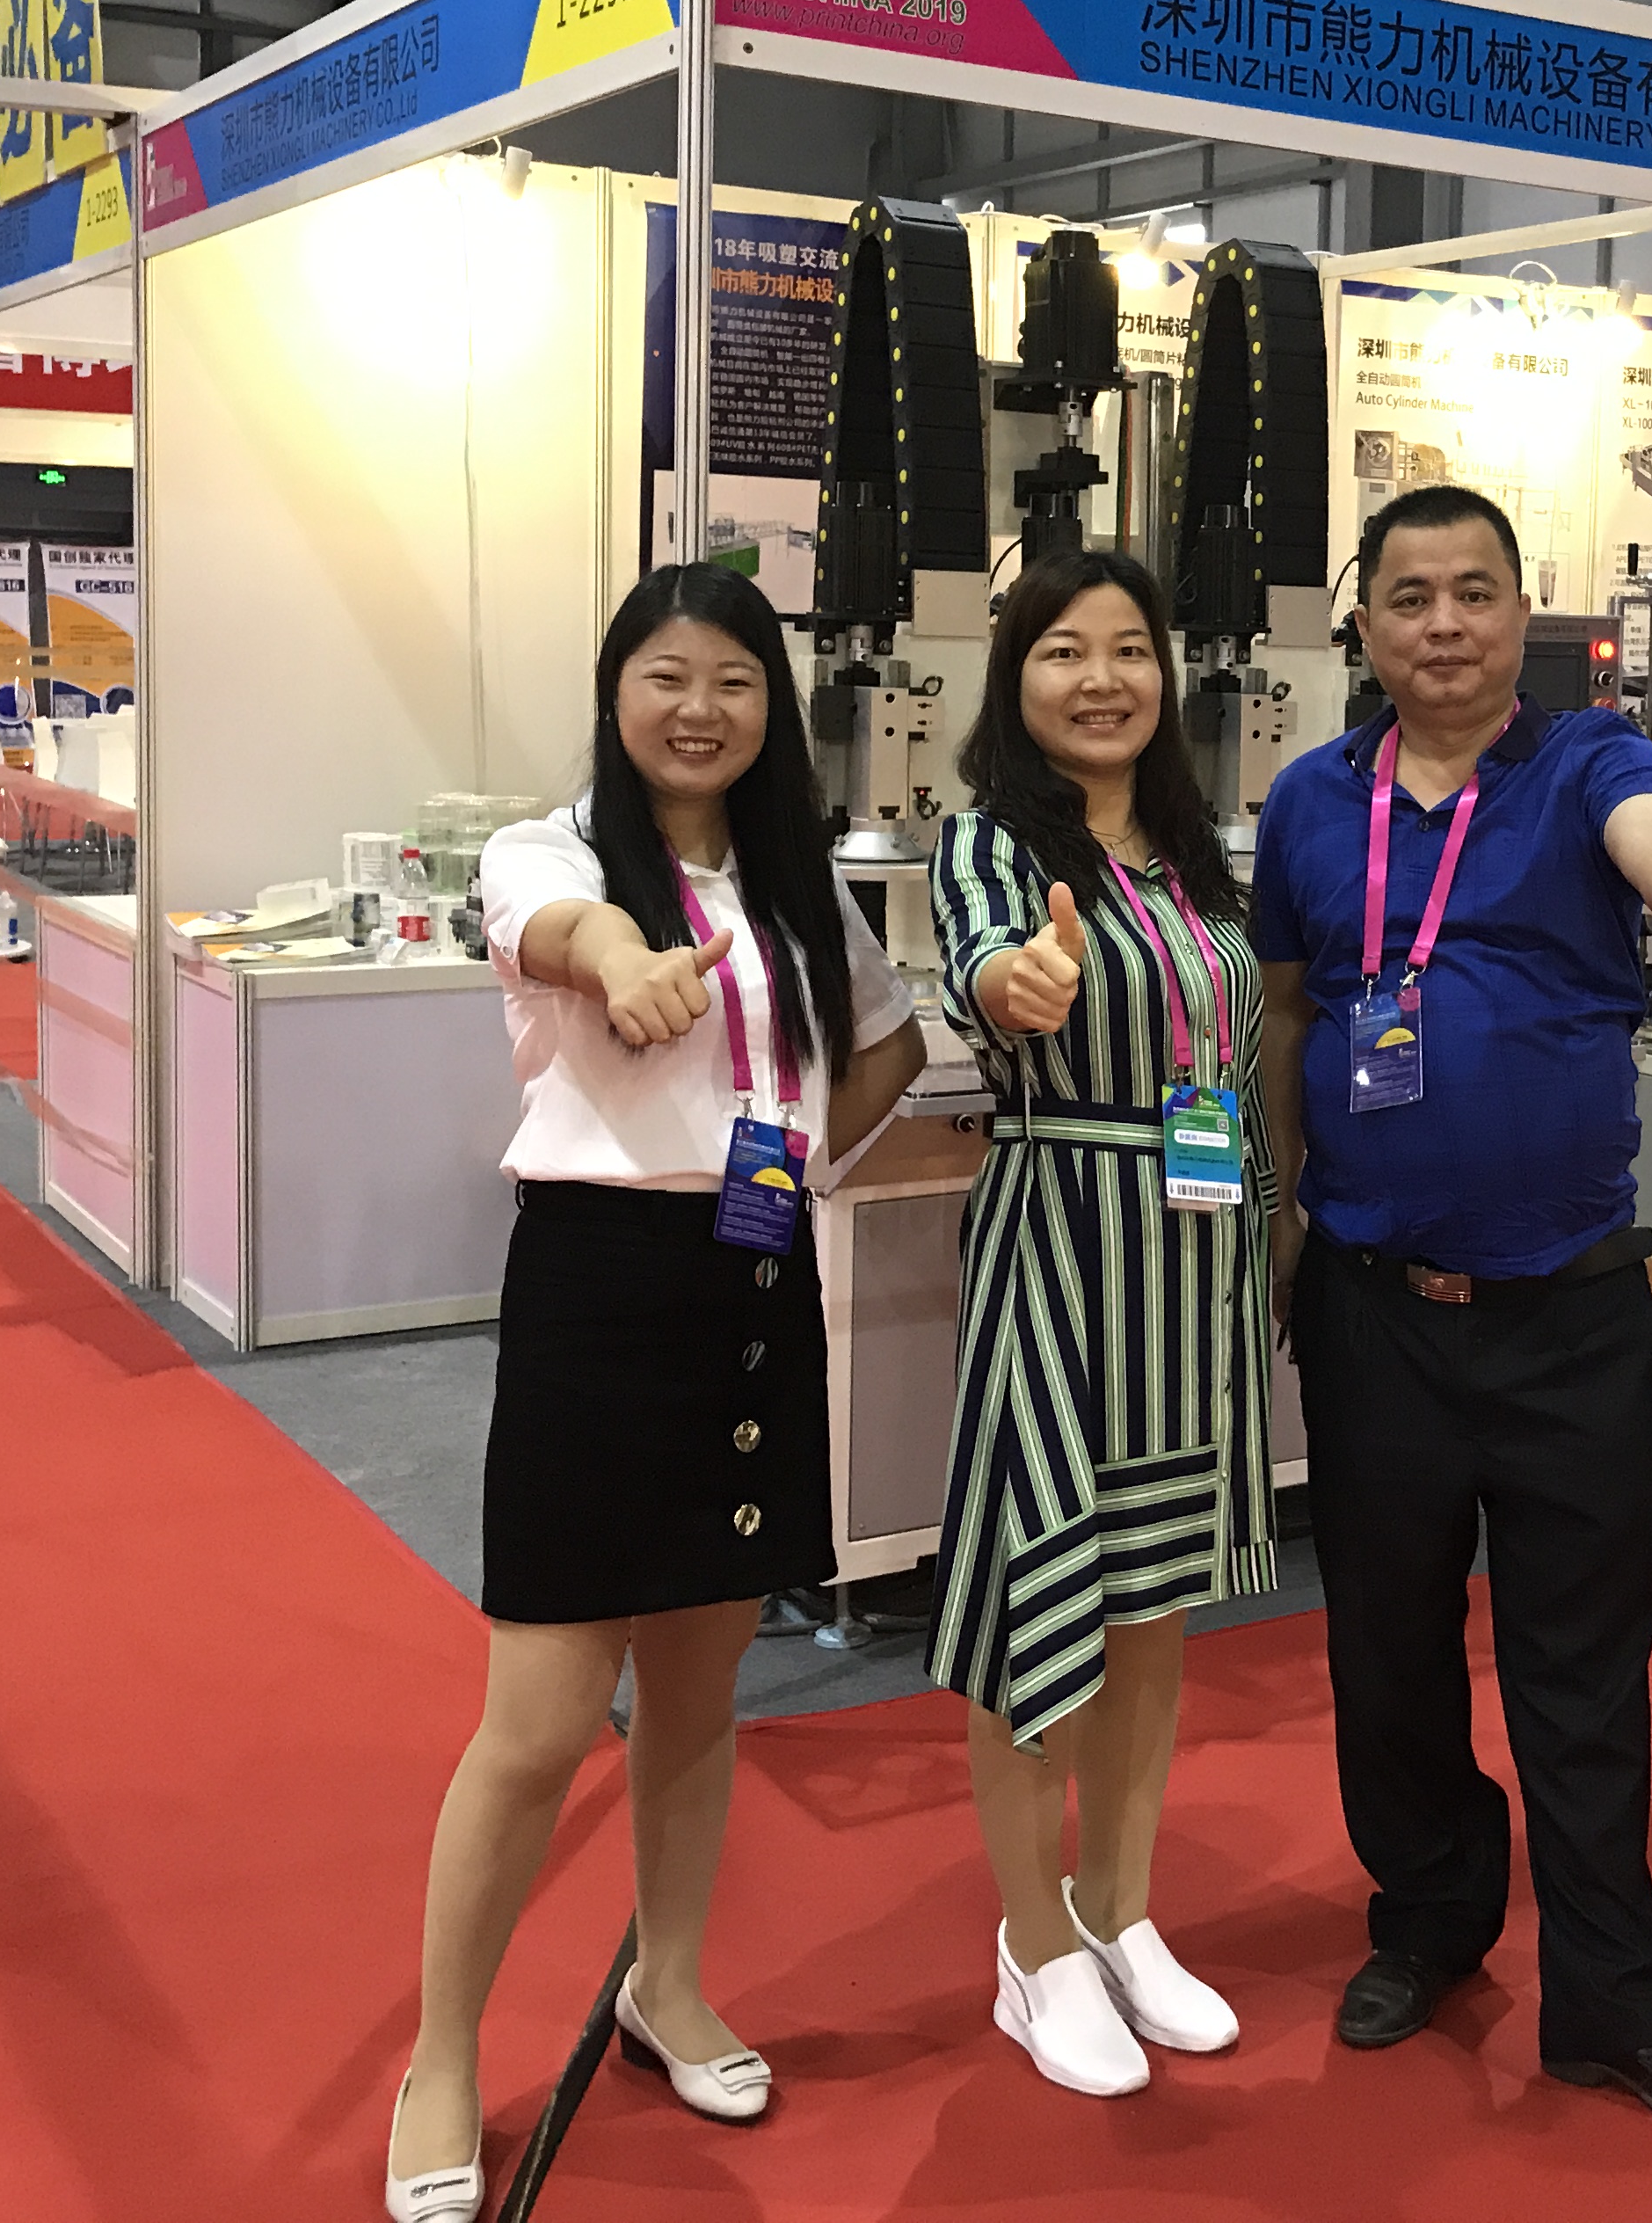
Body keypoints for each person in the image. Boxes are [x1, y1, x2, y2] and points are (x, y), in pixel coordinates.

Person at [384, 565, 926, 2220]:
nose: (701, 709)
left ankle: (667, 1984)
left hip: (751, 1278)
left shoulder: (794, 882)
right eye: (668, 676)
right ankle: (440, 2058)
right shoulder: (548, 852)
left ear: (773, 707)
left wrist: (808, 1149)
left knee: (699, 1691)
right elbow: (567, 937)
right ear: (618, 691)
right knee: (542, 1721)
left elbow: (889, 1040)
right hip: (599, 1290)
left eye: (735, 682)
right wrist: (622, 959)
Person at [1253, 484, 1652, 2140]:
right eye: (1410, 595)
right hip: (1374, 1309)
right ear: (1364, 621)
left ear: (1519, 613)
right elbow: (1290, 1010)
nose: (1443, 624)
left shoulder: (1586, 762)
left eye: (1474, 592)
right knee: (1387, 1653)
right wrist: (1277, 1211)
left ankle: (1611, 1997)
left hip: (1568, 1313)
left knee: (1584, 1673)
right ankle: (1428, 1916)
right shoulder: (1310, 800)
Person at [925, 550, 1277, 2097]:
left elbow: (1238, 1052)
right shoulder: (991, 843)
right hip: (1063, 1244)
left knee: (1153, 1608)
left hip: (1195, 1262)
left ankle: (1118, 1907)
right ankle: (1031, 1944)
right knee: (1042, 1605)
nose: (1100, 678)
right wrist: (1019, 981)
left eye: (1128, 648)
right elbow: (985, 968)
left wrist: (1270, 1233)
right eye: (1062, 649)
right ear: (1016, 677)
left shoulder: (1197, 858)